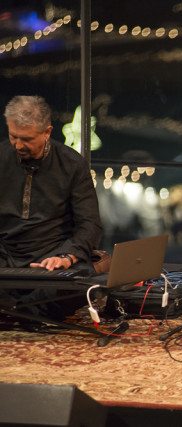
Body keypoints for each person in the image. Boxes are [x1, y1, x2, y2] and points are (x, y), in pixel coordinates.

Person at [0, 95, 102, 321]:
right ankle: (28, 313)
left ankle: (13, 311)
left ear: (47, 132)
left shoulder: (73, 164)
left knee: (82, 281)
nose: (18, 145)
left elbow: (90, 224)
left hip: (51, 257)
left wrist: (66, 256)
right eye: (13, 136)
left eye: (27, 139)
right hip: (5, 255)